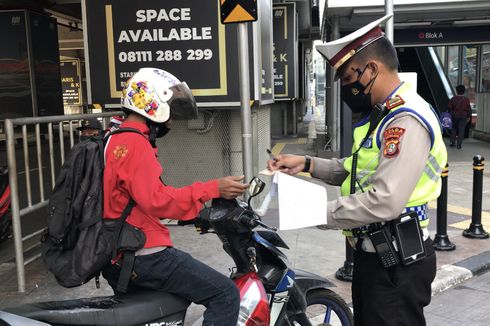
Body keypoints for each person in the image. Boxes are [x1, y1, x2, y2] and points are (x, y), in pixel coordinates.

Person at [268, 15, 447, 326]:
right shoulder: (383, 114)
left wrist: (313, 213)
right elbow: (355, 169)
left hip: (396, 264)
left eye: (350, 78)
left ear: (372, 69)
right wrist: (307, 164)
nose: (347, 88)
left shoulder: (405, 120)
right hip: (375, 257)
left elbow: (384, 200)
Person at [102, 67, 247, 325]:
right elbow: (157, 200)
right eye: (168, 109)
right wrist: (213, 189)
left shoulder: (116, 138)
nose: (170, 121)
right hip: (144, 255)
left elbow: (134, 199)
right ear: (152, 104)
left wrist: (193, 213)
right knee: (225, 294)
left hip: (123, 251)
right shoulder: (135, 144)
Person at [448, 84, 471, 149]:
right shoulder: (466, 99)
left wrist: (449, 114)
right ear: (463, 91)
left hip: (455, 115)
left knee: (454, 129)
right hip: (463, 116)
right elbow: (468, 109)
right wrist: (468, 116)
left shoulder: (453, 99)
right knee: (461, 130)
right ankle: (459, 144)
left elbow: (449, 108)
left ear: (456, 91)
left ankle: (452, 142)